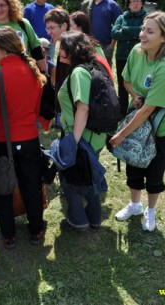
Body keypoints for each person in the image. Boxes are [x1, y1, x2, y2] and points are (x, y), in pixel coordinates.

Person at [0, 26, 47, 249]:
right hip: (29, 139)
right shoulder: (33, 69)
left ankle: (9, 235)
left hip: (1, 142)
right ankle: (36, 230)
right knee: (32, 186)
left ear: (5, 49)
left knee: (2, 188)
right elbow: (38, 111)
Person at [110, 11, 165, 232]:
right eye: (142, 29)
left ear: (163, 38)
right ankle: (135, 205)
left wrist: (122, 134)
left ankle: (150, 211)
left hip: (159, 126)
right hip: (139, 116)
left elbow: (150, 109)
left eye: (150, 31)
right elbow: (126, 80)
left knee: (155, 168)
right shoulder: (135, 52)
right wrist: (135, 95)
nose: (143, 34)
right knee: (134, 162)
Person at [56, 31, 107, 231]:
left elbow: (83, 107)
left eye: (63, 47)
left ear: (73, 50)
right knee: (89, 177)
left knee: (71, 181)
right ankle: (94, 218)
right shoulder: (90, 67)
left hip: (83, 137)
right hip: (93, 136)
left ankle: (78, 221)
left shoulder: (78, 72)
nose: (59, 51)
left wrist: (73, 143)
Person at [0, 0, 46, 72]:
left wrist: (44, 74)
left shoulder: (23, 24)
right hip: (1, 79)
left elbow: (37, 49)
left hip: (26, 75)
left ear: (10, 6)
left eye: (2, 5)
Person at [111, 0, 147, 116]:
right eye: (132, 1)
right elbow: (114, 33)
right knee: (122, 84)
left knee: (137, 83)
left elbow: (143, 31)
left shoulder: (146, 17)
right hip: (121, 55)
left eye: (138, 1)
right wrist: (135, 33)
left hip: (138, 56)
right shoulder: (122, 17)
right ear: (128, 4)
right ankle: (122, 110)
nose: (135, 4)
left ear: (142, 3)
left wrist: (125, 29)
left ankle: (138, 108)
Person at [44, 7, 70, 127]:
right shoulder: (59, 44)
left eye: (52, 28)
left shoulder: (71, 48)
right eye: (47, 28)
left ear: (64, 26)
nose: (48, 32)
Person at [81, 0, 122, 67]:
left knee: (105, 72)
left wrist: (111, 46)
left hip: (106, 46)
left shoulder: (112, 5)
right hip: (90, 45)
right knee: (90, 69)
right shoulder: (87, 5)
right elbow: (83, 24)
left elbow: (118, 26)